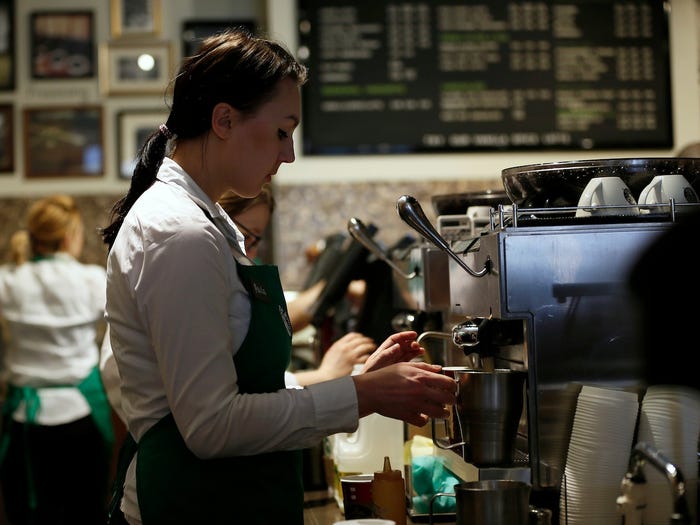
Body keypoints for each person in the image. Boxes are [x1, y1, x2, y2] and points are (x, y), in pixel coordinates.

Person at [100, 28, 456, 525]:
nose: (287, 155)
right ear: (224, 120)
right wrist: (364, 395)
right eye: (282, 132)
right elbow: (212, 426)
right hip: (192, 507)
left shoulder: (206, 222)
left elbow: (242, 391)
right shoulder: (177, 232)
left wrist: (357, 381)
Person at [0, 194, 114, 525]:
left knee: (29, 515)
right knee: (86, 512)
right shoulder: (91, 280)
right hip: (81, 418)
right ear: (69, 237)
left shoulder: (8, 279)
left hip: (25, 419)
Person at [217, 185, 376, 386]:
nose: (252, 253)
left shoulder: (243, 268)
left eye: (255, 240)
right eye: (245, 237)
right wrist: (324, 375)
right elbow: (241, 387)